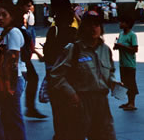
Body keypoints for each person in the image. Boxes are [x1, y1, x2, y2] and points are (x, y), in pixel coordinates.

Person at [49, 11, 117, 140]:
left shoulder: (105, 49)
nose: (93, 28)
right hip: (80, 101)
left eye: (97, 25)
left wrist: (114, 82)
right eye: (89, 25)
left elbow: (111, 71)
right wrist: (72, 94)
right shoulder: (73, 49)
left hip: (102, 101)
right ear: (83, 27)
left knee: (106, 135)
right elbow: (56, 75)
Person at [43, 0, 78, 140]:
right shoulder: (74, 32)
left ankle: (59, 135)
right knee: (71, 111)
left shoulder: (53, 31)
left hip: (55, 77)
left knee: (58, 111)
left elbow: (48, 54)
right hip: (71, 77)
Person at [0, 0, 27, 140]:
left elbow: (13, 62)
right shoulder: (6, 32)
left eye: (4, 15)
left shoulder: (13, 33)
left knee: (13, 120)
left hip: (12, 81)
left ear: (11, 16)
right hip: (6, 81)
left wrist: (9, 87)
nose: (0, 18)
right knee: (7, 118)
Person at [15, 0, 46, 119]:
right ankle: (29, 107)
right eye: (28, 6)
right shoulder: (17, 20)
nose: (30, 8)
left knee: (32, 79)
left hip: (24, 56)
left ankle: (30, 107)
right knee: (31, 79)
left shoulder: (20, 18)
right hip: (21, 57)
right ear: (22, 6)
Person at [114, 14, 139, 111]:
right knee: (125, 83)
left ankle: (132, 103)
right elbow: (119, 45)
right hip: (122, 63)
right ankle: (129, 102)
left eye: (122, 22)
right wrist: (117, 46)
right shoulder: (121, 34)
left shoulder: (132, 35)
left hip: (130, 64)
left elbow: (135, 49)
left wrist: (122, 46)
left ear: (128, 24)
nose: (120, 24)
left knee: (131, 83)